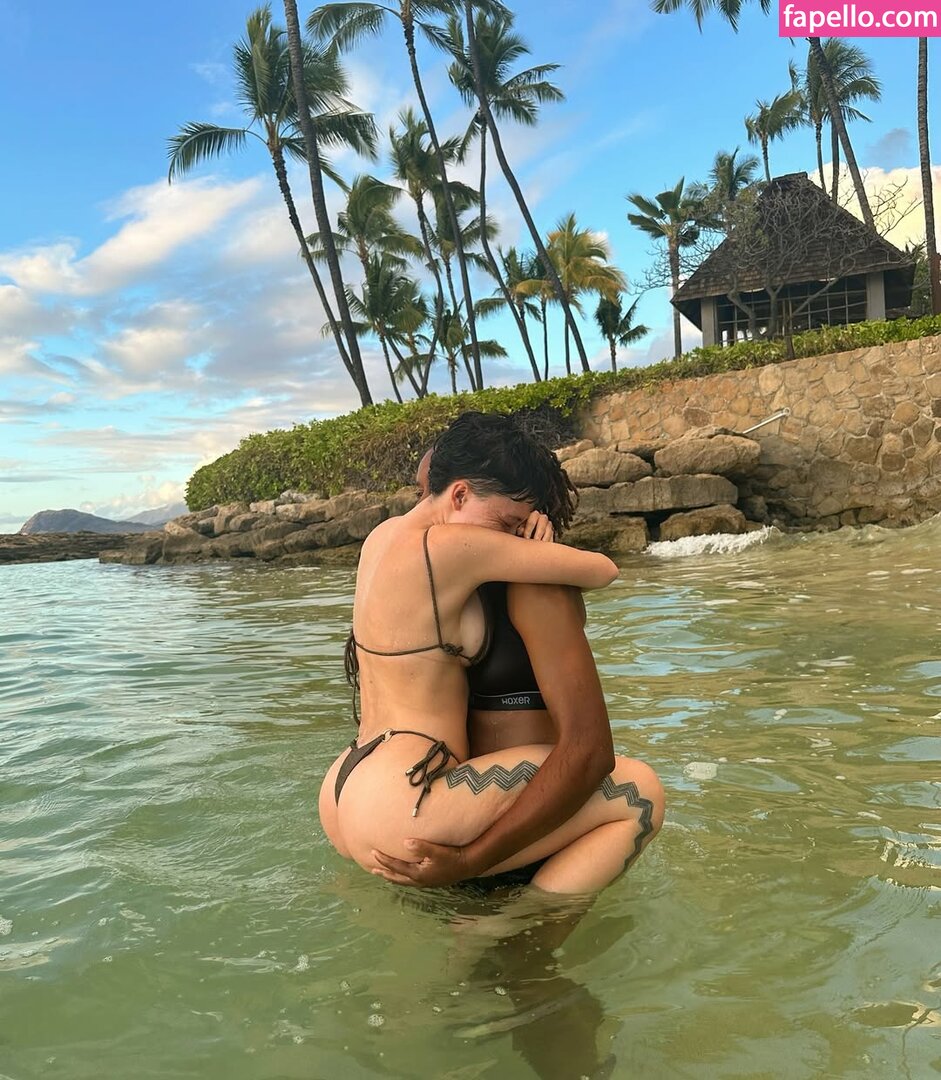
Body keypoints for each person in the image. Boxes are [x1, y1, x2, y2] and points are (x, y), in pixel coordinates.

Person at [317, 412, 660, 893]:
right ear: (458, 494)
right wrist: (539, 549)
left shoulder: (382, 537)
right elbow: (603, 570)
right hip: (404, 799)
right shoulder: (451, 544)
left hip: (347, 785)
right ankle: (515, 926)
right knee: (641, 793)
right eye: (505, 521)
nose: (506, 534)